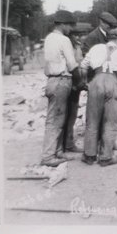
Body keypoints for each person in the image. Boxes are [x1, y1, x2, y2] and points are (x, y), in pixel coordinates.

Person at [80, 30, 117, 166]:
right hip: (114, 82)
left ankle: (89, 156)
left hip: (96, 81)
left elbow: (83, 67)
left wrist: (85, 82)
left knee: (92, 120)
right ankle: (106, 157)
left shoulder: (95, 48)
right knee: (111, 121)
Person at [41, 10, 81, 167]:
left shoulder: (49, 38)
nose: (71, 29)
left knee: (59, 118)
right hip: (61, 81)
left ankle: (57, 152)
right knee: (55, 120)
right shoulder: (64, 40)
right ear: (63, 24)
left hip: (52, 80)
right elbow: (72, 64)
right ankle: (48, 156)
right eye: (69, 26)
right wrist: (79, 82)